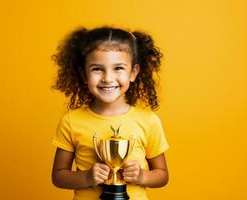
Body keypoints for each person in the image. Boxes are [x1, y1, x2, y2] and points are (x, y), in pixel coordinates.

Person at [51, 26, 169, 200]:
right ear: (84, 75)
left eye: (118, 68)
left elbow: (162, 175)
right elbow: (58, 176)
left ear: (133, 73)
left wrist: (142, 176)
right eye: (97, 69)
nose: (107, 78)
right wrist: (87, 177)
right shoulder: (71, 121)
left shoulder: (148, 121)